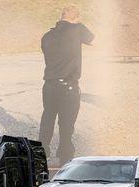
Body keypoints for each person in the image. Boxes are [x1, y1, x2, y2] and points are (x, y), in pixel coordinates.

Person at [39, 6, 94, 164]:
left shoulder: (47, 36)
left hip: (48, 86)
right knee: (66, 125)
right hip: (68, 87)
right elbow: (94, 40)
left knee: (47, 120)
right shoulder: (77, 29)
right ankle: (65, 160)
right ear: (76, 18)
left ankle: (40, 156)